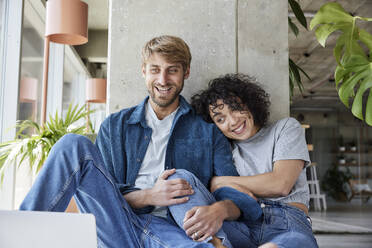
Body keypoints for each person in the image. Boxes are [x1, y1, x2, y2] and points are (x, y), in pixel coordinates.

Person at [19, 36, 257, 248]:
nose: (163, 80)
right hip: (116, 225)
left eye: (172, 70)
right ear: (143, 71)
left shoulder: (207, 131)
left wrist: (218, 210)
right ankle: (21, 235)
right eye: (155, 69)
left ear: (186, 72)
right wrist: (150, 196)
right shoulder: (115, 126)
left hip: (172, 228)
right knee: (72, 144)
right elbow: (103, 195)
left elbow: (235, 195)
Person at [187, 73, 319, 248]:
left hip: (287, 220)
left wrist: (222, 181)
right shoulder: (225, 152)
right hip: (243, 222)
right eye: (221, 119)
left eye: (235, 108)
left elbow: (280, 184)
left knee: (296, 242)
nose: (232, 121)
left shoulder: (285, 128)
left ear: (249, 102)